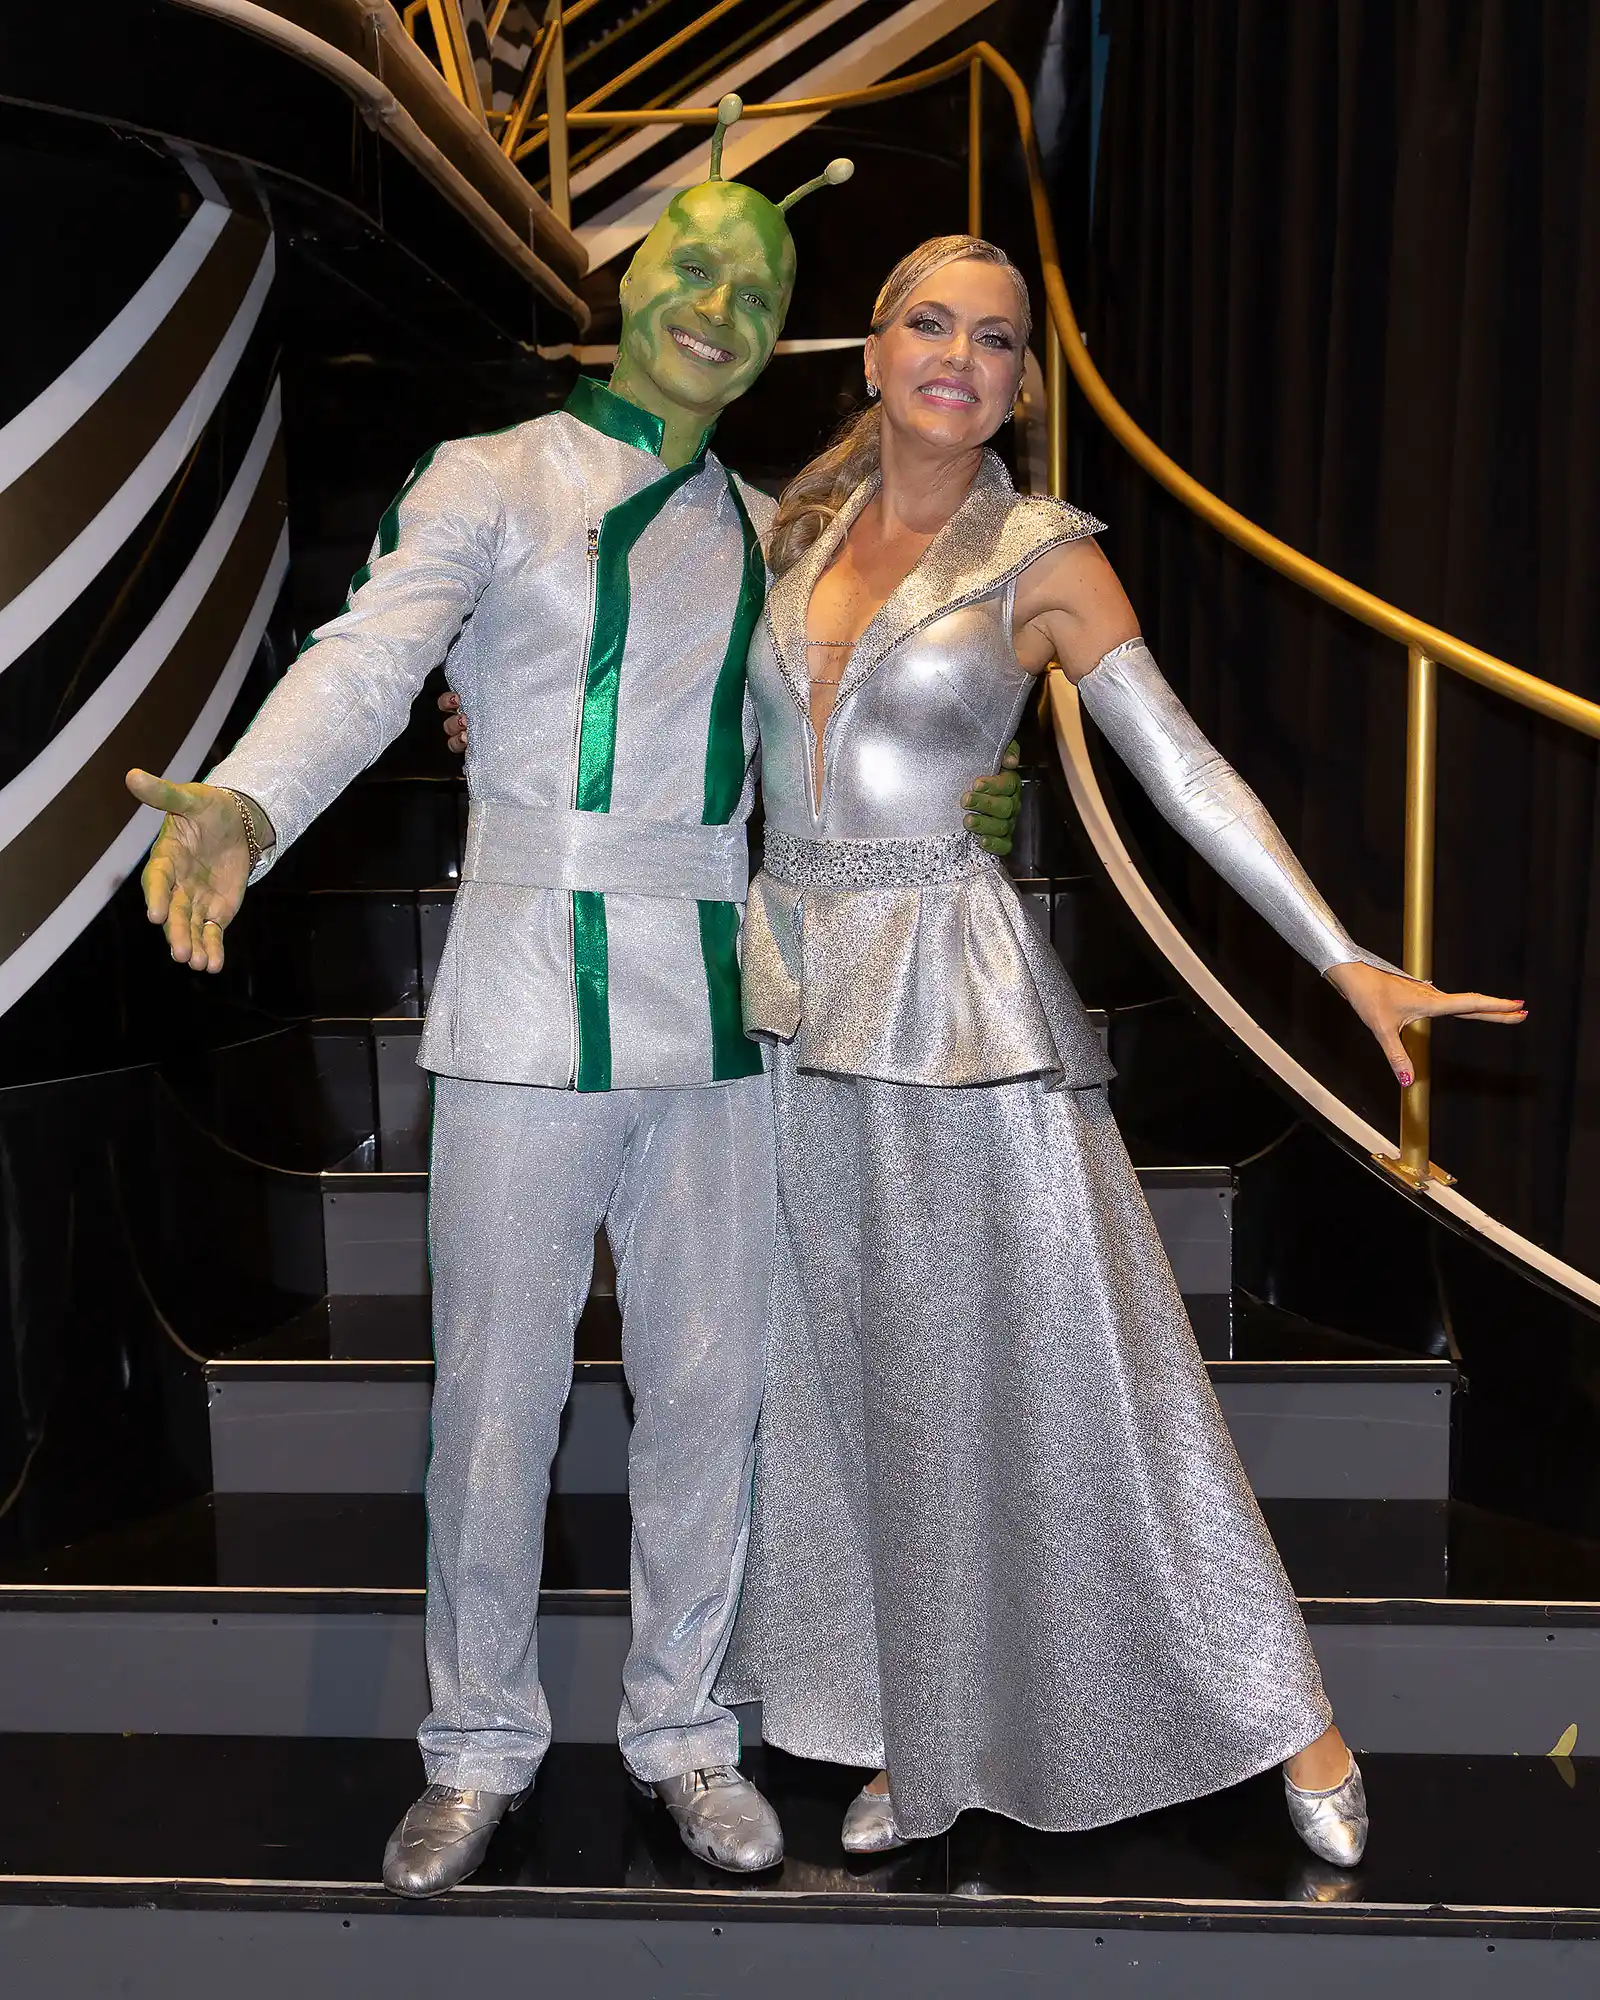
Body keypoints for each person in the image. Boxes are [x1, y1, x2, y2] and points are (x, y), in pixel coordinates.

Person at [123, 108, 1019, 1899]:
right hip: (523, 1007)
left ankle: (687, 1732)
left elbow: (852, 728)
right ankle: (476, 1744)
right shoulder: (486, 475)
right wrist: (250, 800)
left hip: (724, 1020)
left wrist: (959, 794)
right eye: (693, 263)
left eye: (756, 287)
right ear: (626, 280)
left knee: (709, 1401)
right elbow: (367, 659)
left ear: (779, 339)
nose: (717, 302)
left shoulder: (781, 538)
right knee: (495, 1403)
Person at [696, 234, 1525, 1866]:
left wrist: (1340, 954)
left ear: (1020, 385)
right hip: (788, 1002)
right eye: (931, 324)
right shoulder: (791, 533)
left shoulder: (1045, 554)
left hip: (953, 1009)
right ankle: (912, 1722)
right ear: (872, 353)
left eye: (997, 339)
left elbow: (1185, 769)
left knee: (1085, 1378)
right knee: (850, 1389)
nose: (960, 356)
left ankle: (1289, 1715)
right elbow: (701, 737)